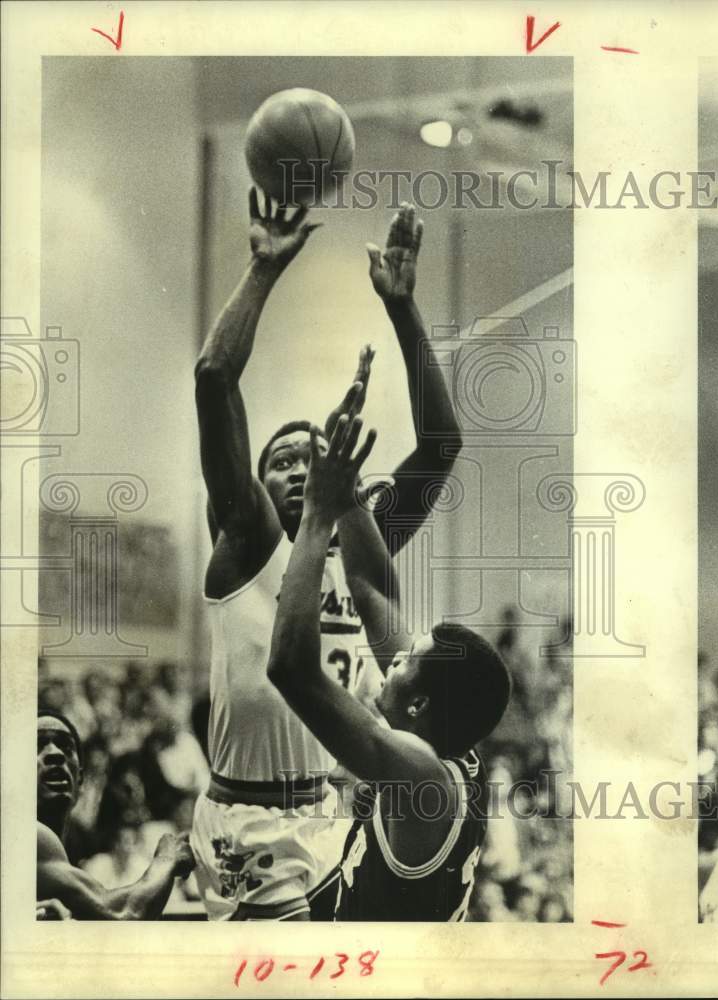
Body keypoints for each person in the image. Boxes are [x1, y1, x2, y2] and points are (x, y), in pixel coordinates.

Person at [191, 190, 461, 921]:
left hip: (332, 809)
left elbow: (440, 447)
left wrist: (403, 308)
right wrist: (263, 268)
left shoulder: (358, 546)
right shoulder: (246, 541)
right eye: (282, 459)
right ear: (252, 485)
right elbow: (214, 379)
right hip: (248, 821)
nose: (300, 466)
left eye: (314, 456)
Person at [267, 414, 510, 921]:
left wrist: (316, 514)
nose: (391, 659)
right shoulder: (452, 742)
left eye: (404, 663)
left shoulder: (421, 776)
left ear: (419, 703)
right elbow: (370, 586)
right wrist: (349, 494)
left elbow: (291, 669)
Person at [36, 710, 194, 919]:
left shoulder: (74, 842)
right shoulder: (30, 835)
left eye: (65, 746)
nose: (55, 753)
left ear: (80, 780)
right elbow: (121, 914)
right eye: (37, 745)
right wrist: (167, 858)